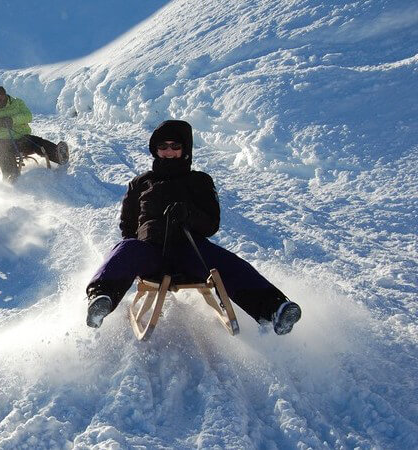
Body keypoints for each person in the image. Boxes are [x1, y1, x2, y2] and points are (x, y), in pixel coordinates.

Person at [85, 119, 302, 335]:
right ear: (155, 150)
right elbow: (128, 225)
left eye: (175, 146)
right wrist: (135, 250)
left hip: (189, 251)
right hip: (151, 253)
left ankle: (274, 308)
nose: (168, 152)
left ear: (185, 149)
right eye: (163, 147)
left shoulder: (200, 181)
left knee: (224, 261)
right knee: (127, 247)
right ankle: (101, 299)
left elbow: (211, 224)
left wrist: (189, 215)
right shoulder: (140, 183)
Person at [0, 86, 69, 182]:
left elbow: (28, 116)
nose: (0, 100)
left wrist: (13, 120)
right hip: (2, 142)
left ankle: (57, 154)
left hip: (21, 139)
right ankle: (10, 174)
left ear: (6, 95)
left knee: (35, 141)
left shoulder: (17, 103)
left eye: (2, 97)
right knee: (1, 146)